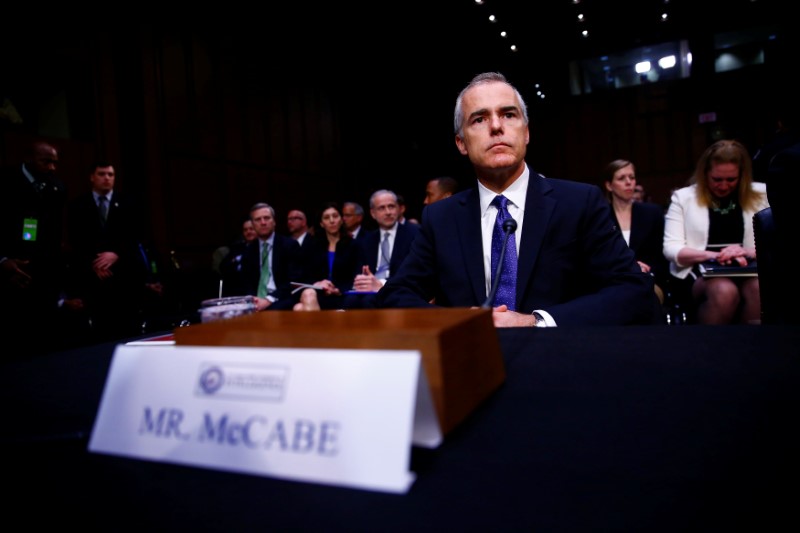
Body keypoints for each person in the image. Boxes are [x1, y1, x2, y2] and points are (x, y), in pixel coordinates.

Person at [375, 72, 655, 327]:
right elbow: (395, 296)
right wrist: (461, 320)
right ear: (461, 143)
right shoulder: (441, 218)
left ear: (527, 132)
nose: (496, 126)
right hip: (471, 369)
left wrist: (536, 321)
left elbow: (633, 291)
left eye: (508, 115)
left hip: (562, 365)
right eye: (479, 119)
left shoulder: (579, 202)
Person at [663, 139, 769, 325]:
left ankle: (752, 349)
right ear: (705, 174)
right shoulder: (684, 197)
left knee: (758, 289)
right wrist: (717, 255)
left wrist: (748, 252)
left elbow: (776, 242)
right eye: (717, 179)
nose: (724, 186)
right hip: (699, 268)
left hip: (748, 266)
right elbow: (671, 248)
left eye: (731, 180)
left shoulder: (761, 194)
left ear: (742, 176)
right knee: (724, 291)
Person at [66, 162, 153, 342]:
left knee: (128, 331)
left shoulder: (129, 203)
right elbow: (76, 240)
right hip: (94, 278)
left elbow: (136, 235)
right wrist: (95, 262)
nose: (107, 178)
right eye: (102, 174)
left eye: (110, 174)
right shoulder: (78, 205)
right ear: (92, 177)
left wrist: (116, 253)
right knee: (100, 333)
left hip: (124, 276)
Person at [0, 140, 69, 355]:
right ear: (29, 159)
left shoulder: (57, 187)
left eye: (55, 163)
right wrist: (2, 260)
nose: (51, 167)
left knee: (47, 343)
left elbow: (56, 232)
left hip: (45, 275)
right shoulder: (5, 182)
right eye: (46, 162)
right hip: (11, 274)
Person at [602, 159, 668, 304]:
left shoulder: (652, 213)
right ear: (609, 185)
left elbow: (661, 255)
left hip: (648, 279)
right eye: (621, 178)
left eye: (631, 177)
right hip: (611, 280)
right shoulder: (601, 216)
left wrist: (646, 270)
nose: (629, 182)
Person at [228, 202, 303, 311]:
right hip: (256, 300)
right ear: (252, 224)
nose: (263, 222)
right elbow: (247, 283)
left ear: (274, 222)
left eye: (267, 218)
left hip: (281, 298)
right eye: (258, 220)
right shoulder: (249, 250)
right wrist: (253, 300)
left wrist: (269, 299)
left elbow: (293, 281)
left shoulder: (289, 245)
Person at [351, 189, 420, 294]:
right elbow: (358, 273)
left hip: (402, 292)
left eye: (391, 206)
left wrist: (382, 284)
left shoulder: (415, 234)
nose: (388, 212)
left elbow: (414, 273)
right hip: (369, 294)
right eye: (382, 208)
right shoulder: (365, 241)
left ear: (398, 209)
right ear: (373, 213)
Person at [304, 202, 359, 309]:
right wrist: (317, 283)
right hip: (318, 293)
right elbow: (305, 274)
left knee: (300, 308)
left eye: (335, 216)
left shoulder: (353, 245)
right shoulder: (313, 245)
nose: (332, 221)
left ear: (341, 219)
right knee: (306, 297)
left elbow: (356, 274)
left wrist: (339, 289)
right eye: (326, 217)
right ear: (321, 223)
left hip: (343, 294)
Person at [216, 216, 257, 296]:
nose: (248, 232)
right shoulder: (237, 248)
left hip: (256, 289)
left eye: (251, 229)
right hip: (236, 289)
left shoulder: (264, 247)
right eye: (245, 230)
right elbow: (223, 267)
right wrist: (235, 260)